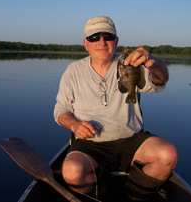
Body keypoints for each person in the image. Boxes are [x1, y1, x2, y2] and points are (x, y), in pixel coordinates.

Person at [54, 15, 178, 201]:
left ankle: (134, 195)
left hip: (131, 140)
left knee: (168, 155)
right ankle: (104, 193)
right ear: (85, 43)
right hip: (90, 145)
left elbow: (160, 80)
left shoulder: (130, 64)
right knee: (72, 173)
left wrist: (155, 63)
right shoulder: (73, 71)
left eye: (108, 36)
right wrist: (74, 125)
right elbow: (61, 110)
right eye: (94, 37)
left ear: (116, 41)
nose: (101, 42)